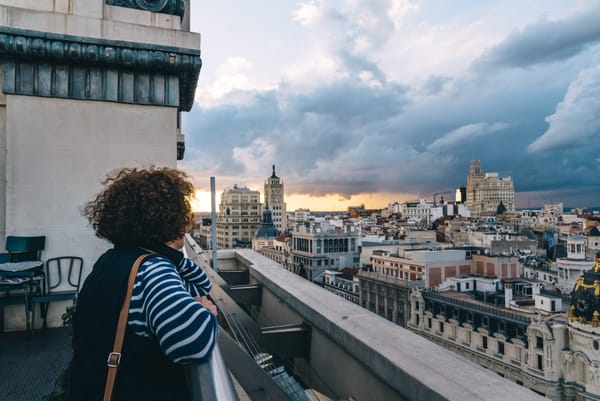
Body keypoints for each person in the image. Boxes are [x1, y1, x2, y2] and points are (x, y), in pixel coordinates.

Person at [69, 167, 218, 401]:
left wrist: (174, 256)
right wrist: (206, 311)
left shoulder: (112, 260)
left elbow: (197, 287)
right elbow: (191, 342)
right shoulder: (154, 270)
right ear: (167, 219)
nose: (187, 224)